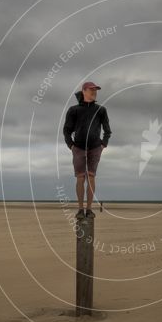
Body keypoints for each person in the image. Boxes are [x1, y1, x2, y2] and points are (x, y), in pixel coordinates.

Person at [63, 81, 112, 219]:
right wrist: (71, 145)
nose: (94, 92)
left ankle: (89, 209)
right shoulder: (74, 110)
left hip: (95, 148)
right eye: (91, 90)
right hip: (78, 148)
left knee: (91, 177)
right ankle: (80, 209)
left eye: (95, 90)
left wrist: (103, 145)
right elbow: (66, 130)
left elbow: (107, 130)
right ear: (84, 91)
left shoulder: (101, 110)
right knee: (80, 177)